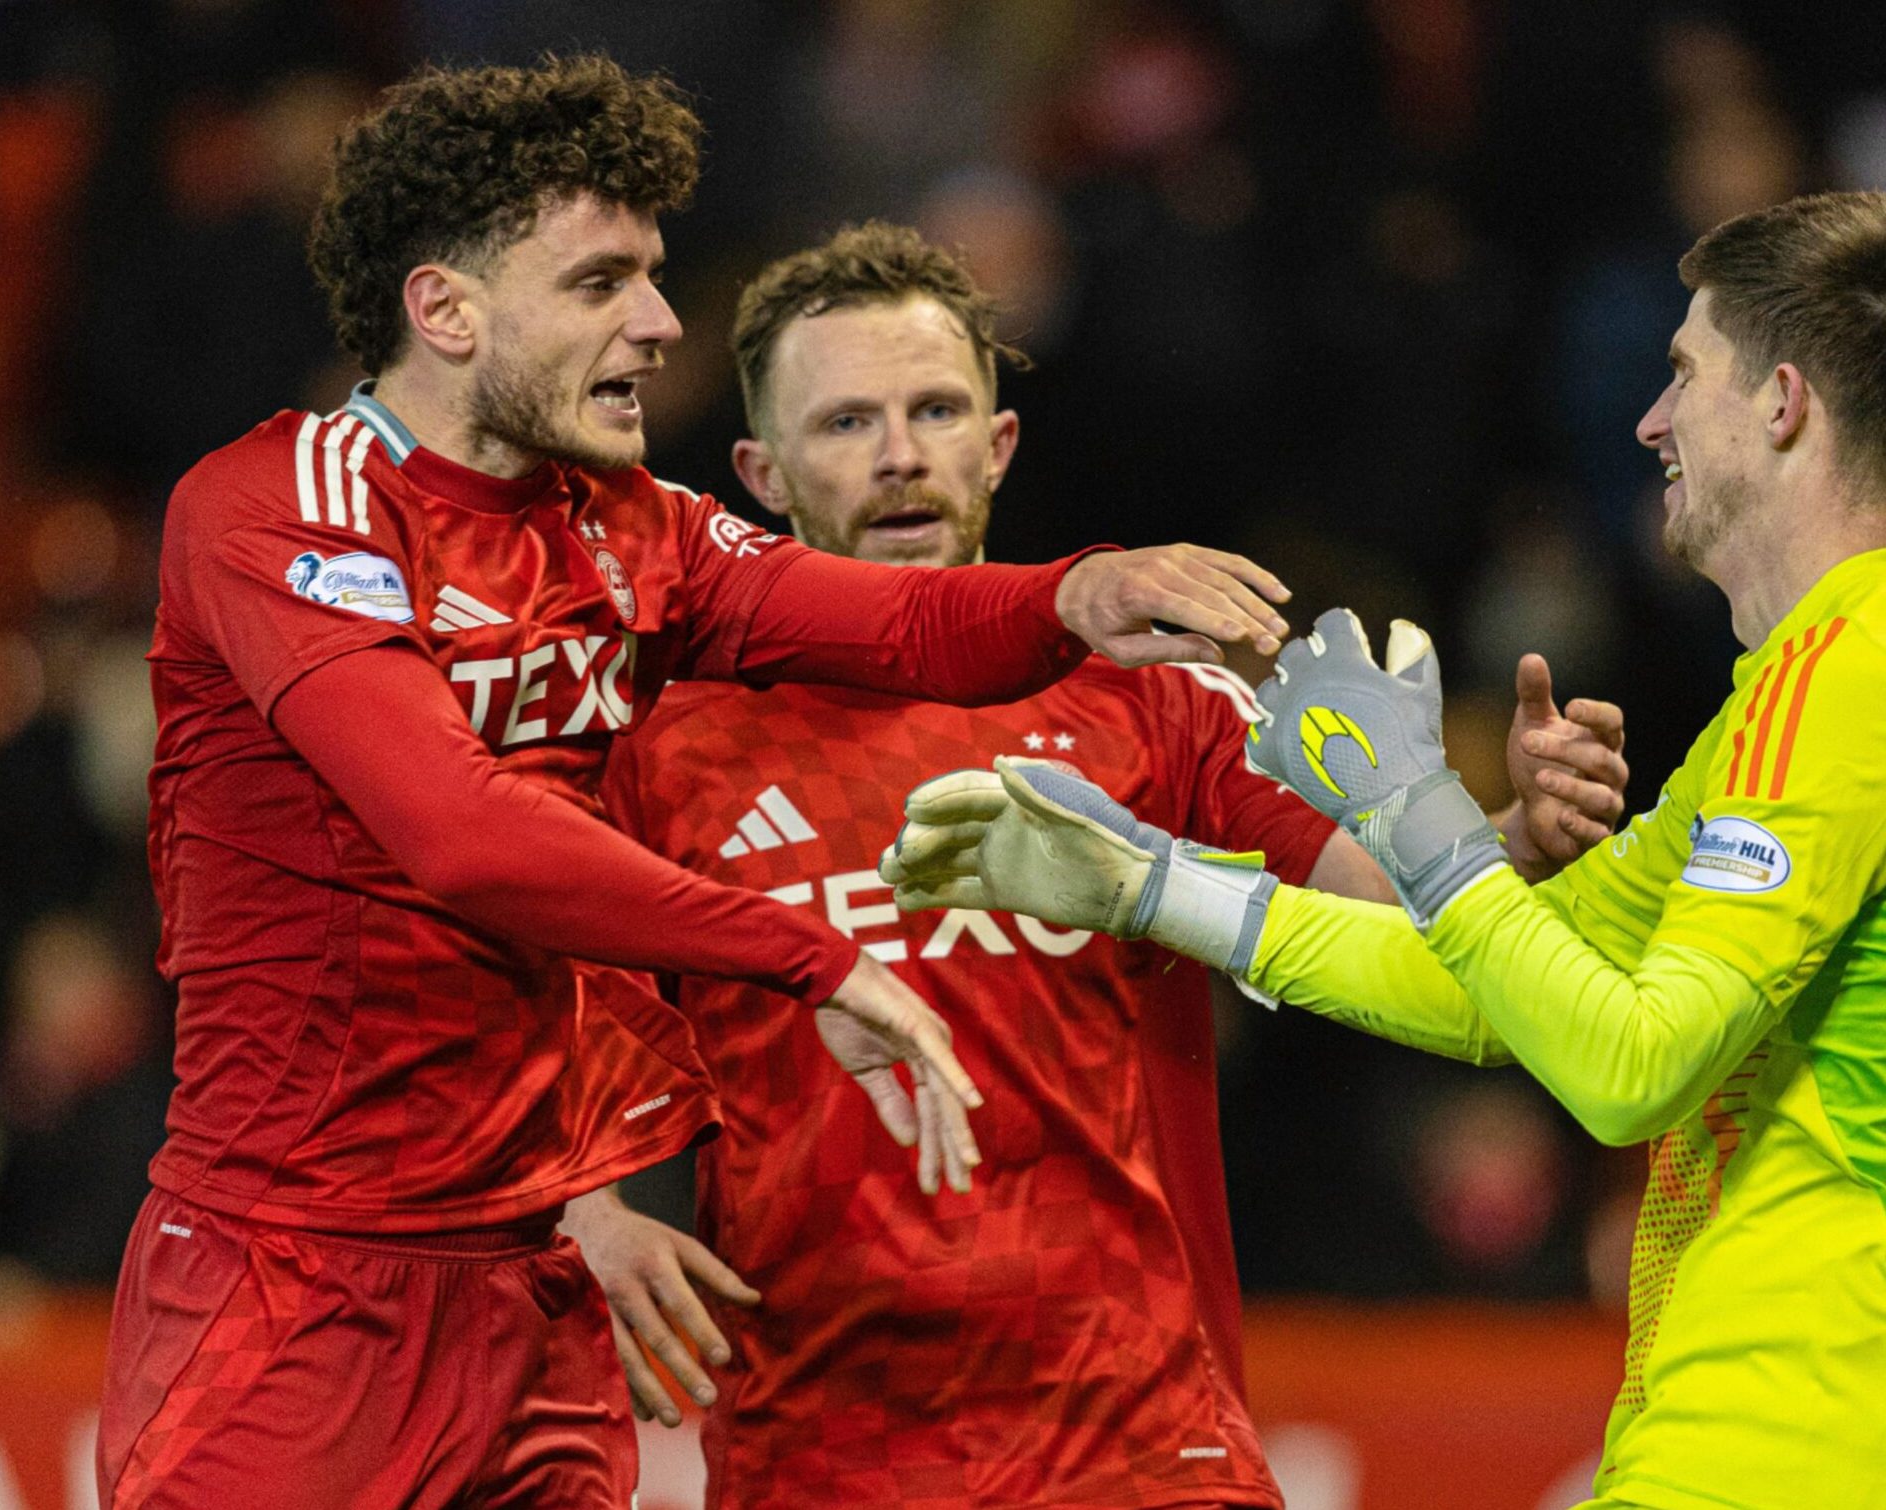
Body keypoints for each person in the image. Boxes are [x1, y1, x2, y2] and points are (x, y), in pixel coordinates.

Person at [107, 57, 1296, 1510]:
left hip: (531, 1298)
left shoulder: (629, 528)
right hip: (294, 1283)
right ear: (447, 310)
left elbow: (903, 622)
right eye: (603, 282)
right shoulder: (279, 507)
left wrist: (1082, 591)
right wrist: (813, 960)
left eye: (655, 278)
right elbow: (460, 833)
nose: (660, 324)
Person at [890, 191, 1886, 1509]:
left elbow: (1626, 1069)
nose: (1648, 420)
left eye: (1680, 375)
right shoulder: (1826, 692)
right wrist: (1150, 884)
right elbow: (1497, 979)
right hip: (1829, 1450)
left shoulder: (1847, 694)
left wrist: (1410, 806)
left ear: (1781, 402)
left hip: (1812, 1462)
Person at [598, 221, 1632, 1509]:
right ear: (760, 471)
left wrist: (1514, 842)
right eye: (848, 423)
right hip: (819, 1455)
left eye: (935, 409)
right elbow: (539, 1031)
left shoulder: (1151, 705)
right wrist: (587, 1212)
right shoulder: (664, 754)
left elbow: (1397, 915)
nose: (904, 454)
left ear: (1001, 442)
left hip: (1140, 1447)